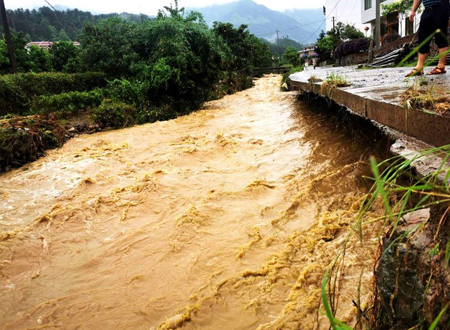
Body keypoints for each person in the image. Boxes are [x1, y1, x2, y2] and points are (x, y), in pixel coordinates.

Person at [406, 0, 450, 77]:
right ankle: (419, 67)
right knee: (422, 37)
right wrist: (413, 11)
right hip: (427, 9)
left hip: (441, 6)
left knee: (440, 36)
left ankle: (441, 66)